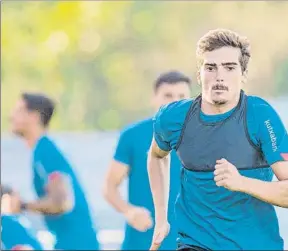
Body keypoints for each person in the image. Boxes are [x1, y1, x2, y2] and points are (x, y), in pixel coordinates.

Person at [147, 29, 288, 251]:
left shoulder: (260, 115)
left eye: (229, 67)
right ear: (199, 74)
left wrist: (241, 182)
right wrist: (161, 219)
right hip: (195, 243)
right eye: (210, 68)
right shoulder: (173, 117)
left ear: (243, 74)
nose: (219, 76)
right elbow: (156, 155)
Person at [103, 71, 192, 250]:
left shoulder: (205, 138)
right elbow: (109, 188)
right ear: (154, 98)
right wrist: (129, 211)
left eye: (182, 96)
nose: (175, 101)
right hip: (142, 242)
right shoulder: (132, 136)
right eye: (168, 95)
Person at [9, 93, 100, 250]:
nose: (11, 116)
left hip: (77, 244)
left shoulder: (45, 150)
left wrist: (21, 205)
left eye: (18, 111)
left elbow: (62, 202)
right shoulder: (42, 150)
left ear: (34, 116)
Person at [1, 185, 43, 250]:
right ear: (7, 198)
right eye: (15, 195)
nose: (19, 199)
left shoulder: (17, 219)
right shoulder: (7, 221)